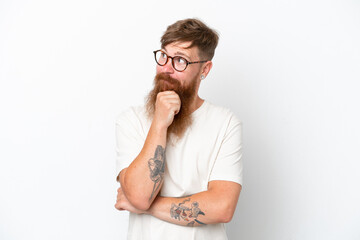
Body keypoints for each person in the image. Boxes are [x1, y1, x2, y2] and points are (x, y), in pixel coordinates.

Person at [114, 18, 243, 240]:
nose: (166, 69)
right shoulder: (131, 120)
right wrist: (159, 123)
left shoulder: (226, 123)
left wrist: (147, 207)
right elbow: (139, 195)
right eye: (163, 56)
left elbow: (222, 207)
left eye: (180, 61)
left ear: (205, 69)